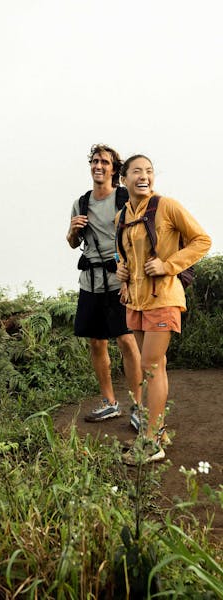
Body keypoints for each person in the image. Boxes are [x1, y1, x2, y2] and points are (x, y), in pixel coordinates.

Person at [116, 154, 211, 463]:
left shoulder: (167, 206)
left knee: (151, 367)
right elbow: (125, 254)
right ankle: (156, 431)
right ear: (124, 179)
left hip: (164, 298)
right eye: (136, 171)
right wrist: (122, 273)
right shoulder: (122, 217)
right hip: (136, 301)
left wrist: (169, 265)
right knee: (153, 369)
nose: (144, 176)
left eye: (149, 171)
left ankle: (150, 441)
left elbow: (202, 240)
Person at [67, 144, 142, 424]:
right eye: (95, 161)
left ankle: (138, 406)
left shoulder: (125, 199)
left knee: (126, 339)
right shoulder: (81, 203)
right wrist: (72, 231)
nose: (98, 166)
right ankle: (110, 402)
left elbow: (137, 239)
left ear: (114, 169)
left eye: (105, 163)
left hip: (119, 279)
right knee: (96, 342)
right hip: (90, 281)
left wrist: (130, 278)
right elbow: (74, 243)